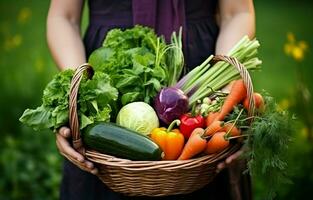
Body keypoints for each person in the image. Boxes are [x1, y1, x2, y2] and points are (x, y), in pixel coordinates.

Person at [47, 0, 255, 199]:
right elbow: (64, 16)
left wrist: (226, 96)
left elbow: (237, 12)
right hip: (105, 67)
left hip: (203, 77)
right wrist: (81, 96)